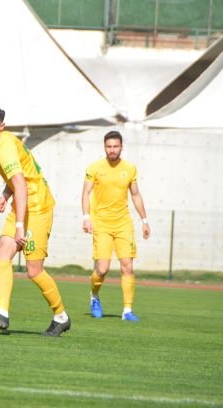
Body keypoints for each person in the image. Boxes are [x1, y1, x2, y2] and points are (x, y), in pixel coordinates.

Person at [0, 105, 71, 336]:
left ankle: (61, 316)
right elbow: (17, 179)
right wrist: (5, 196)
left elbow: (22, 184)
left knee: (34, 271)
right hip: (22, 205)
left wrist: (19, 227)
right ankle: (1, 312)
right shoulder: (1, 142)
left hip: (37, 208)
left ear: (1, 126)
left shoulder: (4, 147)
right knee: (2, 256)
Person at [81, 130, 150, 321]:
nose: (112, 150)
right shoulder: (94, 168)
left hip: (123, 224)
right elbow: (86, 193)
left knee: (127, 266)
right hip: (101, 223)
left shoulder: (130, 169)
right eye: (109, 146)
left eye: (115, 146)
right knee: (102, 269)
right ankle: (94, 296)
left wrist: (144, 220)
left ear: (121, 147)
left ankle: (127, 311)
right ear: (105, 147)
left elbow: (135, 195)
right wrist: (86, 217)